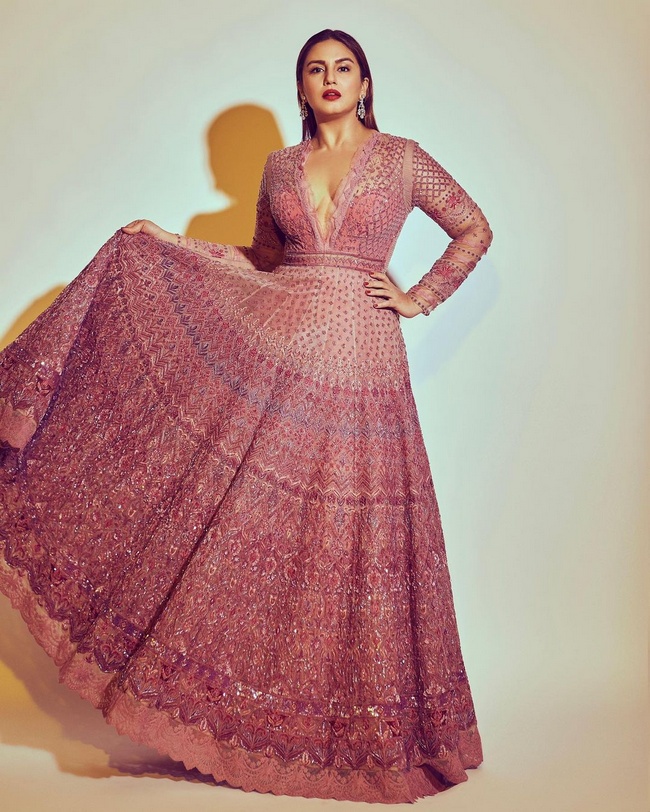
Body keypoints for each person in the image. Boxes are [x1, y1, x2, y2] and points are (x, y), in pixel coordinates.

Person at [0, 28, 493, 805]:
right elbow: (263, 260)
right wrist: (171, 241)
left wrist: (419, 297)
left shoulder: (403, 159)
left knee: (350, 530)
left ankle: (350, 728)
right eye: (315, 69)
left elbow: (474, 227)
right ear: (300, 88)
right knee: (255, 519)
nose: (330, 79)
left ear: (365, 83)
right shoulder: (280, 168)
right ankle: (238, 715)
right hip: (280, 352)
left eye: (344, 68)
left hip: (364, 360)